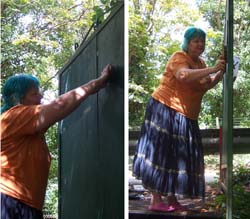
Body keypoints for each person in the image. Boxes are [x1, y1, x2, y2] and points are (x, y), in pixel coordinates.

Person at [0, 64, 112, 219]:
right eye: (34, 93)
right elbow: (60, 106)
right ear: (17, 99)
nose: (40, 97)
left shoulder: (23, 125)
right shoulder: (15, 116)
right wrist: (96, 84)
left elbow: (57, 113)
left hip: (23, 202)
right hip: (12, 201)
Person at [132, 27, 226, 212]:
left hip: (186, 115)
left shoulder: (200, 64)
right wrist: (213, 68)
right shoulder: (179, 57)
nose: (200, 44)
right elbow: (183, 75)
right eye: (195, 41)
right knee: (162, 153)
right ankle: (155, 200)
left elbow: (206, 85)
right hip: (165, 109)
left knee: (177, 157)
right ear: (187, 43)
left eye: (202, 41)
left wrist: (220, 71)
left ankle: (172, 198)